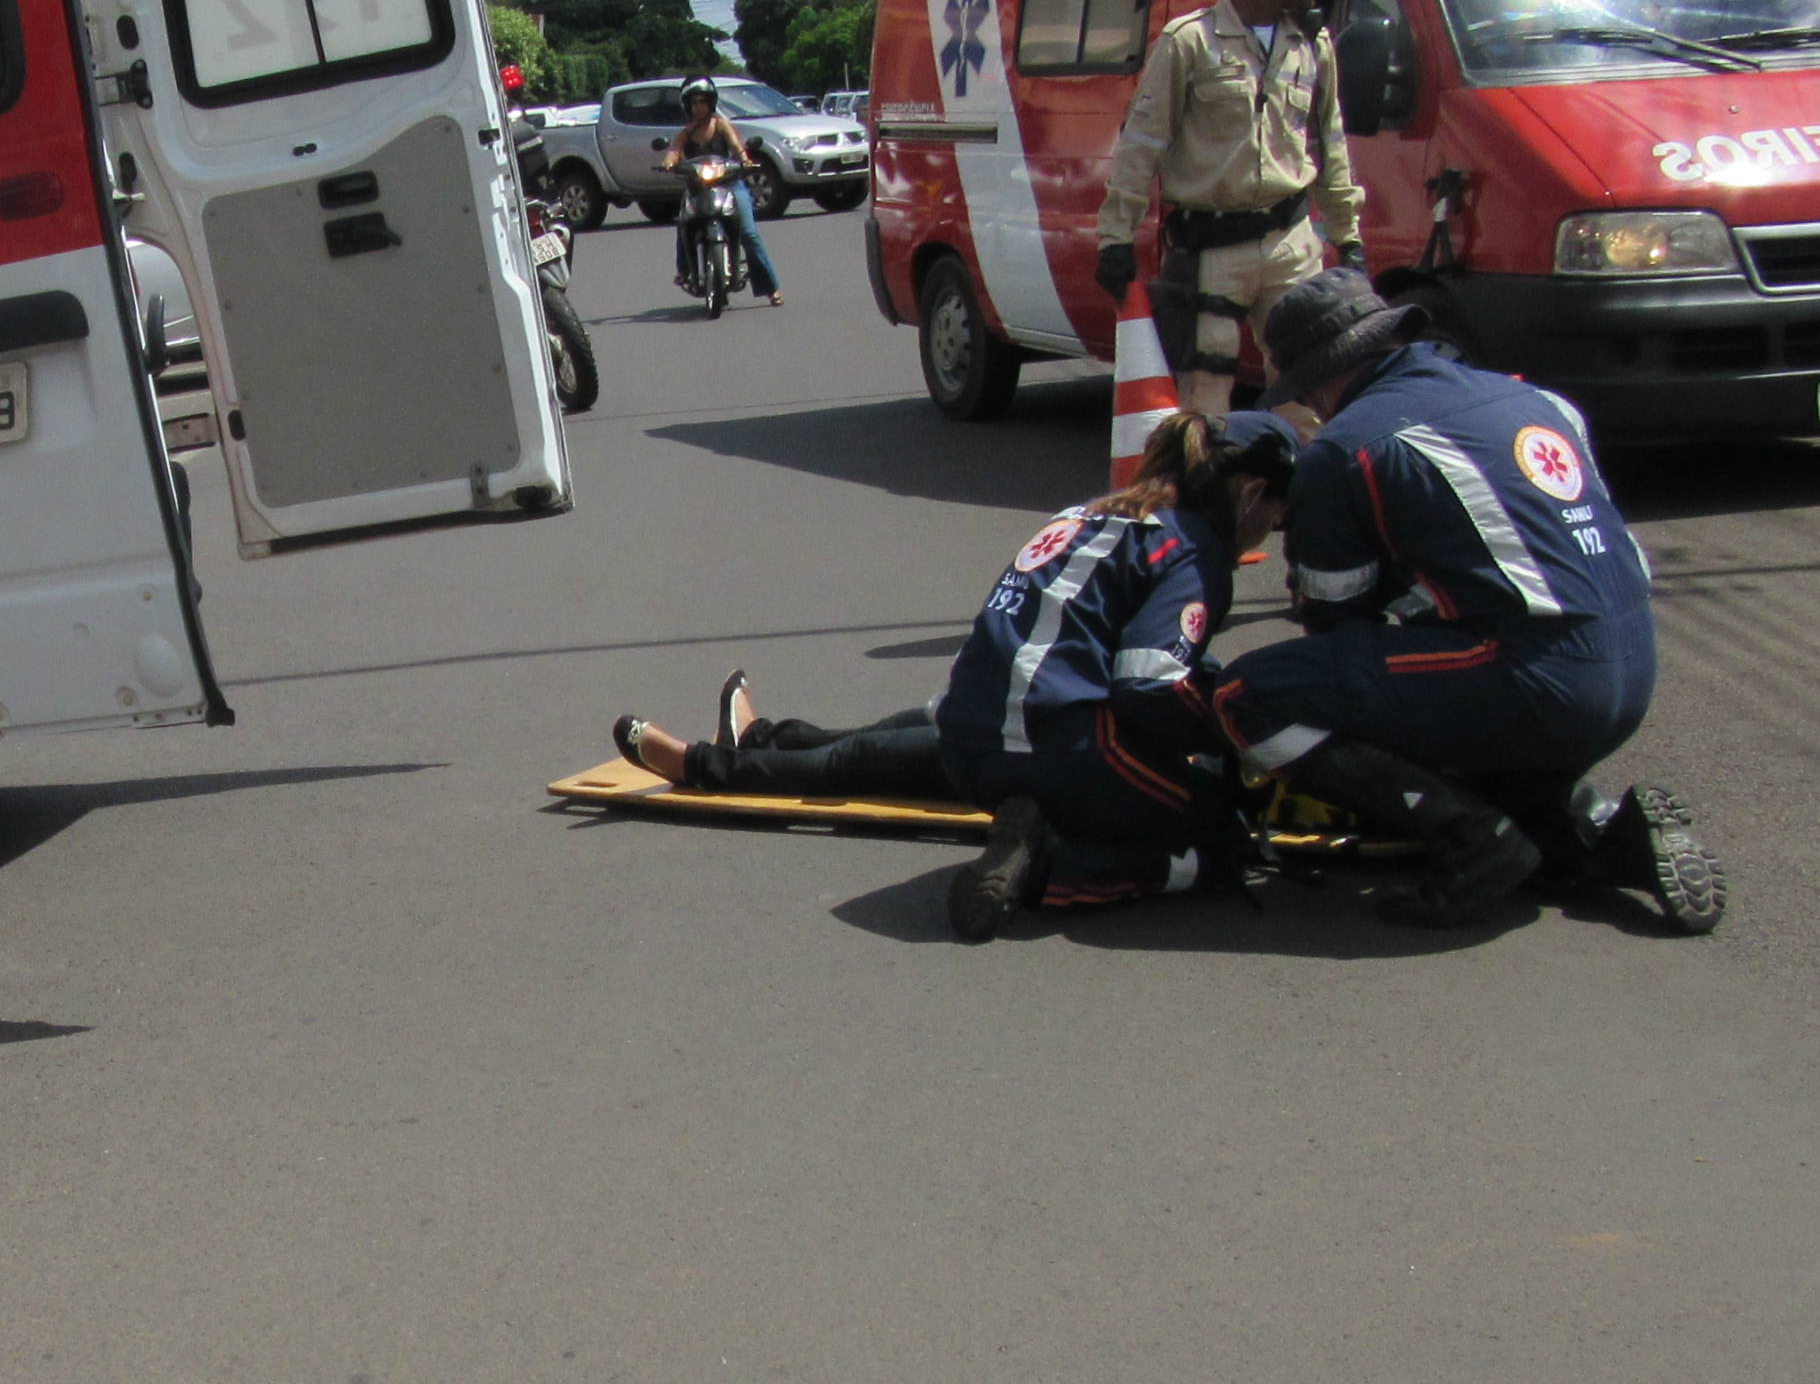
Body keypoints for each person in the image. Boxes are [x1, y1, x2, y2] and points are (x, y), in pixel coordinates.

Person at [609, 409, 1298, 935]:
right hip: (1060, 746)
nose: (1272, 530)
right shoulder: (1196, 552)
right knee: (1220, 832)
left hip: (975, 734)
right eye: (1276, 515)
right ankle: (1051, 864)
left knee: (873, 753)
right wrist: (1230, 736)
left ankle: (713, 760)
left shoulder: (1093, 514)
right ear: (1253, 493)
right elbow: (1149, 685)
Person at [1208, 269, 1722, 932]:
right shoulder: (1537, 400)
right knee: (1465, 721)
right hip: (1631, 668)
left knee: (1252, 696)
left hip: (1536, 679)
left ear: (1321, 377)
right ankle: (1600, 837)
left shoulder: (1347, 449)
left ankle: (1473, 842)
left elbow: (1334, 621)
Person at [1093, 0, 1364, 420]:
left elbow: (1330, 143)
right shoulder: (1190, 42)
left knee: (1307, 388)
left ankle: (1298, 494)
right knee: (1203, 397)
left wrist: (1348, 237)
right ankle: (1203, 496)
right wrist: (1116, 238)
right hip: (1213, 250)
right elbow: (1141, 143)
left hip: (1290, 242)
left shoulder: (1311, 44)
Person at [665, 76, 780, 306]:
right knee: (684, 223)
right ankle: (685, 270)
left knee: (748, 233)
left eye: (703, 101)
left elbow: (737, 147)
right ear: (688, 105)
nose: (699, 106)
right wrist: (668, 162)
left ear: (711, 103)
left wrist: (745, 160)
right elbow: (673, 152)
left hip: (729, 184)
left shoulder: (721, 125)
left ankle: (770, 287)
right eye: (695, 102)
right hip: (697, 188)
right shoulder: (684, 134)